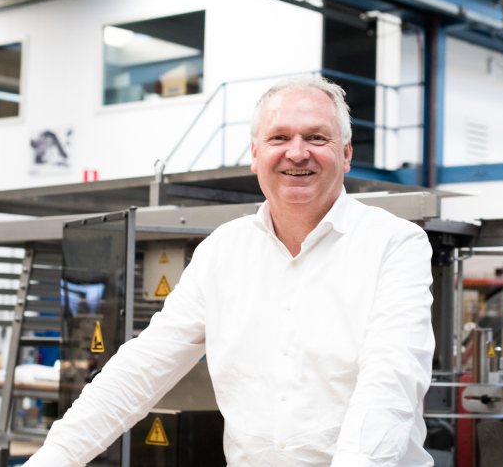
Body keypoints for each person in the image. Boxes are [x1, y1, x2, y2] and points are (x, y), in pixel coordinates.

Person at [25, 76, 435, 466]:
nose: (297, 153)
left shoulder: (394, 244)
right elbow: (141, 369)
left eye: (316, 137)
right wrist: (52, 458)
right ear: (255, 155)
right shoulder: (222, 251)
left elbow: (391, 380)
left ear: (345, 155)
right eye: (279, 138)